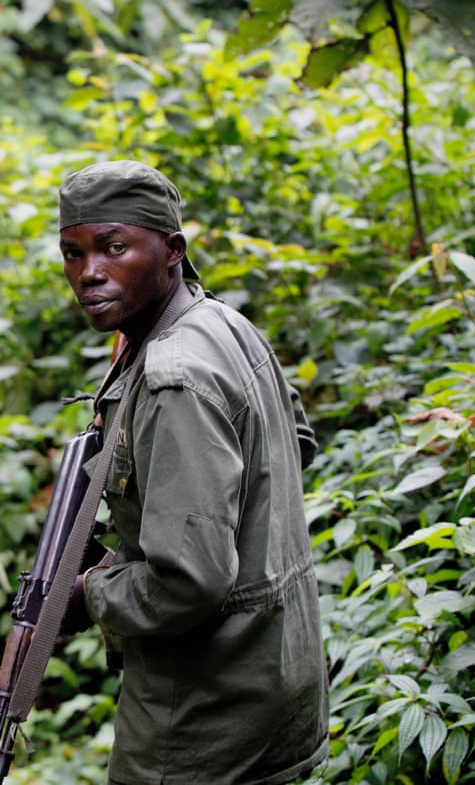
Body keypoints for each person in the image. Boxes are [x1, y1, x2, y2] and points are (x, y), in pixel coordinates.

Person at [57, 160, 329, 785]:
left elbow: (188, 582)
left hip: (202, 723)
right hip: (274, 684)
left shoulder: (174, 376)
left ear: (172, 250)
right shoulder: (222, 323)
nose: (89, 273)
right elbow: (297, 442)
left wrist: (89, 595)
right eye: (73, 253)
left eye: (114, 247)